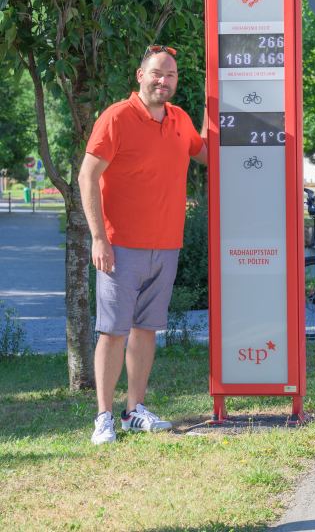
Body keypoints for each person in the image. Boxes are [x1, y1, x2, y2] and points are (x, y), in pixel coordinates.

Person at [79, 45, 208, 445]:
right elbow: (87, 177)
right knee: (113, 332)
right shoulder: (117, 117)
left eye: (170, 75)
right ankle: (103, 418)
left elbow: (205, 152)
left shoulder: (179, 119)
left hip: (165, 245)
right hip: (121, 246)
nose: (162, 81)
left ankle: (134, 409)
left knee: (146, 330)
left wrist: (216, 107)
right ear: (140, 75)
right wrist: (99, 238)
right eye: (156, 73)